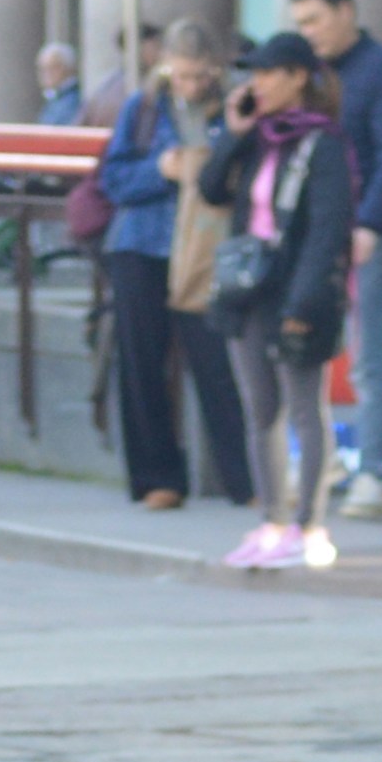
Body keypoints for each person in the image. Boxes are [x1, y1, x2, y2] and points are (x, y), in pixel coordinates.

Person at [193, 32, 361, 571]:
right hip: (249, 288)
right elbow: (212, 189)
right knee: (260, 409)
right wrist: (233, 134)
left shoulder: (324, 142)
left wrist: (305, 301)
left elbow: (328, 231)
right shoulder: (260, 136)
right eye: (252, 74)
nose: (255, 84)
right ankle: (272, 519)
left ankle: (310, 526)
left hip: (297, 290)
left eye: (266, 74)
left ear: (296, 77)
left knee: (306, 409)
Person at [93, 25, 246, 510]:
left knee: (218, 362)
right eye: (182, 76)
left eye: (201, 77)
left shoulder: (233, 107)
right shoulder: (141, 108)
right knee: (142, 362)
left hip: (205, 247)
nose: (192, 86)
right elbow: (112, 179)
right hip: (143, 244)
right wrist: (160, 170)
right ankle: (157, 477)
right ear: (166, 69)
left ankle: (244, 477)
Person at [284, 0, 382, 518]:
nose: (309, 32)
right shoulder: (311, 75)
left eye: (314, 19)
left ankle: (373, 473)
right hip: (316, 233)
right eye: (300, 24)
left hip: (366, 235)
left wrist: (371, 223)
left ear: (346, 10)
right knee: (307, 350)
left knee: (367, 361)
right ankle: (324, 459)